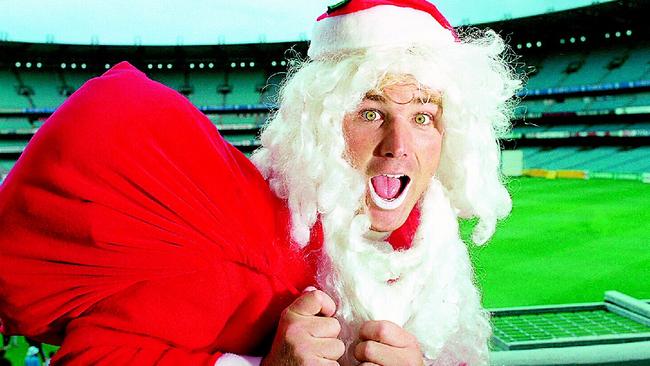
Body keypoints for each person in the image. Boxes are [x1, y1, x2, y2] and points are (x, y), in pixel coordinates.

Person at [0, 0, 520, 365]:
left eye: (424, 117)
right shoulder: (250, 241)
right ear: (320, 126)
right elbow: (95, 353)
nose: (399, 144)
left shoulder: (434, 240)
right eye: (369, 113)